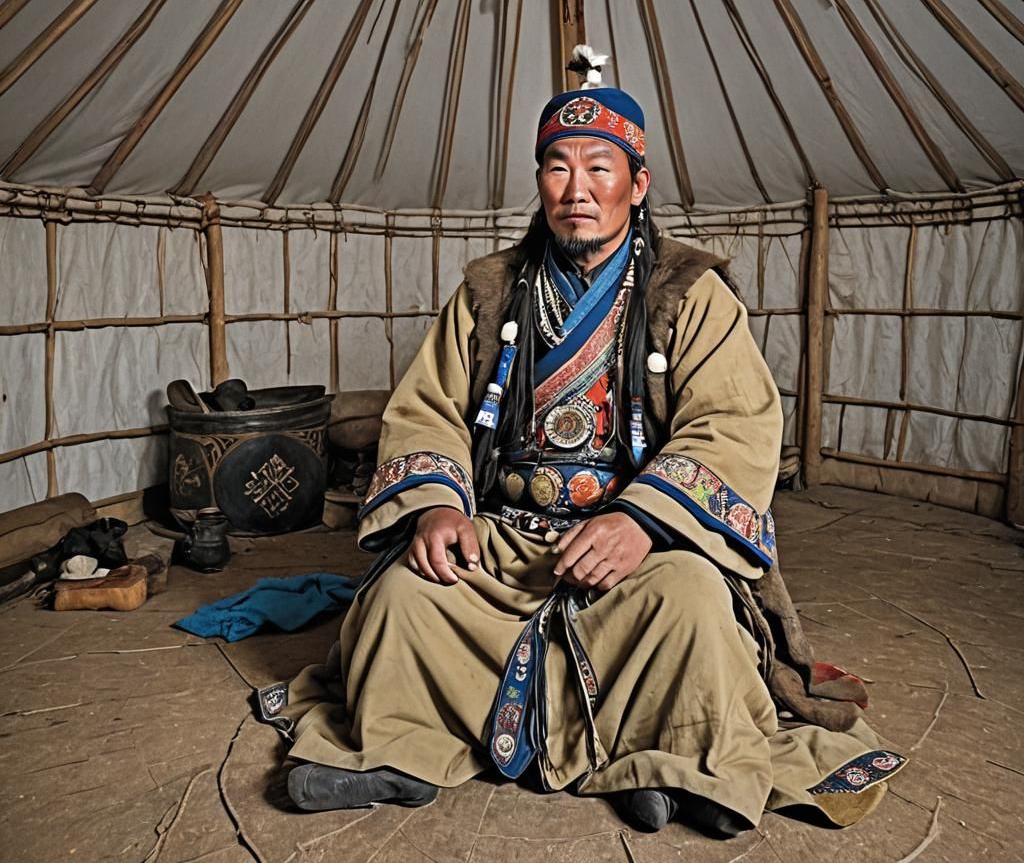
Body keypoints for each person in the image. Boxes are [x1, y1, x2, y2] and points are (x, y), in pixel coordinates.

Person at [258, 53, 906, 835]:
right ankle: (401, 750)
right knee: (404, 595)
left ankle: (666, 762)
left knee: (692, 605)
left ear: (637, 182)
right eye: (558, 168)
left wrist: (640, 520)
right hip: (503, 543)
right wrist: (436, 508)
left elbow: (735, 422)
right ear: (541, 183)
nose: (577, 189)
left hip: (640, 550)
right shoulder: (490, 291)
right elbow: (427, 407)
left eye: (600, 167)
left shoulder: (690, 294)